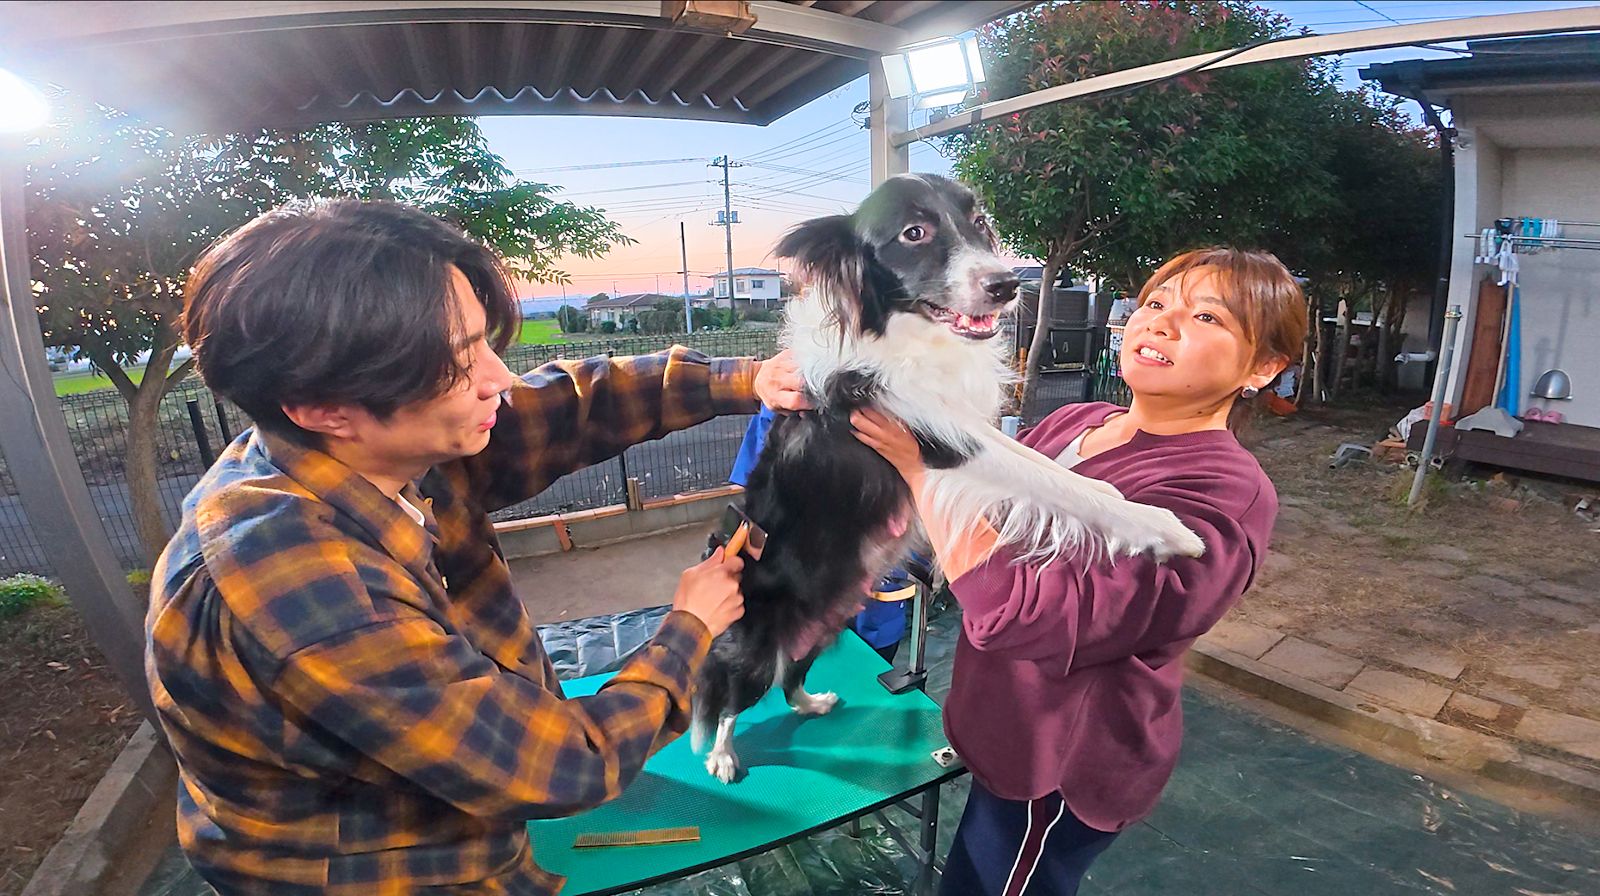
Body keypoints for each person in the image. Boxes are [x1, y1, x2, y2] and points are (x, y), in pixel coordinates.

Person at [145, 199, 809, 895]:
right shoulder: (297, 585)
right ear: (322, 407)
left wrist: (745, 380)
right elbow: (564, 766)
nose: (499, 378)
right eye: (462, 362)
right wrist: (689, 627)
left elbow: (571, 404)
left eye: (486, 343)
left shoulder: (380, 445)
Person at [852, 248, 1306, 895]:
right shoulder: (1080, 423)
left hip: (1060, 767)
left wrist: (925, 469)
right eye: (1156, 303)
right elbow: (981, 523)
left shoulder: (1221, 491)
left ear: (1263, 367)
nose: (1162, 324)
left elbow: (1026, 612)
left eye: (1206, 316)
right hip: (1004, 727)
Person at [727, 403, 921, 662]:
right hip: (809, 549)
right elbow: (758, 480)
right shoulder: (793, 388)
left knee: (874, 637)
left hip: (875, 541)